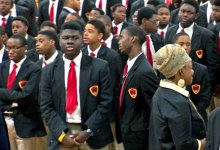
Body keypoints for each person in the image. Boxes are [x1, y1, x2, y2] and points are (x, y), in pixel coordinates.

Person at [39, 21, 114, 150]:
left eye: (75, 38)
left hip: (93, 133)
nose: (70, 41)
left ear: (83, 40)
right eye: (65, 38)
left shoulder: (100, 66)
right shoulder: (48, 71)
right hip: (62, 131)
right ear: (59, 41)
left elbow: (106, 103)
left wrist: (89, 131)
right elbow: (46, 106)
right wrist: (62, 136)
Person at [149, 44, 206, 150]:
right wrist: (209, 141)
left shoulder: (161, 92)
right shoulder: (176, 102)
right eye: (190, 67)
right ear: (181, 71)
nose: (193, 71)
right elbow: (184, 145)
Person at [0, 34, 46, 150]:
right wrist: (14, 100)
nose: (11, 51)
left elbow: (26, 96)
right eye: (8, 48)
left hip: (26, 122)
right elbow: (19, 96)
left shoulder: (34, 69)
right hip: (3, 121)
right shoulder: (2, 67)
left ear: (25, 48)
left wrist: (2, 93)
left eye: (15, 47)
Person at [116, 26, 158, 150]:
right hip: (128, 132)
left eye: (122, 37)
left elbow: (154, 107)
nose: (119, 41)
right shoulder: (130, 64)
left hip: (140, 136)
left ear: (133, 38)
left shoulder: (144, 71)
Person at [165, 0, 220, 91]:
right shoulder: (170, 31)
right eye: (183, 11)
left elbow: (213, 65)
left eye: (189, 12)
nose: (185, 15)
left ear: (196, 16)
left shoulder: (206, 35)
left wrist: (206, 88)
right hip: (173, 87)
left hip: (197, 89)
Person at [173, 32, 211, 124]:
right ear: (174, 46)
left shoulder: (202, 70)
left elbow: (205, 99)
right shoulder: (168, 70)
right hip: (173, 118)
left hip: (196, 120)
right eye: (181, 44)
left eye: (188, 44)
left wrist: (191, 114)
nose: (185, 47)